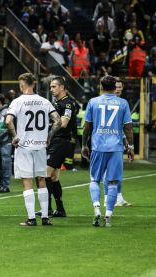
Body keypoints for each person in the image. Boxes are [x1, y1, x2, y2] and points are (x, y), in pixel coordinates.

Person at [5, 73, 61, 226]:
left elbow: (8, 121)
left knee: (27, 181)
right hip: (40, 145)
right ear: (34, 84)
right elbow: (58, 121)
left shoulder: (17, 101)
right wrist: (49, 136)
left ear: (22, 84)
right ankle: (45, 217)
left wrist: (15, 137)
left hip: (24, 146)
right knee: (41, 180)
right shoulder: (45, 101)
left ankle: (31, 219)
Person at [81, 75, 134, 227]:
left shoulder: (93, 102)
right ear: (114, 87)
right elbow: (128, 128)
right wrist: (130, 147)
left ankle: (97, 208)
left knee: (94, 180)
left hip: (98, 146)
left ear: (101, 86)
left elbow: (87, 126)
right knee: (112, 182)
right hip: (116, 147)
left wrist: (84, 145)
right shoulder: (123, 103)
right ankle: (108, 216)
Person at [41, 77, 77, 217]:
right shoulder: (58, 103)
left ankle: (47, 209)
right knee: (54, 177)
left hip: (60, 142)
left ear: (62, 87)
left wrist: (48, 132)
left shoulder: (67, 104)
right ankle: (60, 209)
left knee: (45, 175)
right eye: (51, 87)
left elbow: (63, 123)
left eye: (54, 86)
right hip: (59, 142)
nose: (51, 89)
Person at [103, 79, 132, 207]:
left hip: (117, 141)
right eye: (116, 86)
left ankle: (118, 197)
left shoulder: (122, 103)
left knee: (117, 171)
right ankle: (106, 198)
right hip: (105, 142)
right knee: (107, 172)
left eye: (120, 87)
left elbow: (122, 127)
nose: (118, 89)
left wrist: (126, 141)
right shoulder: (105, 102)